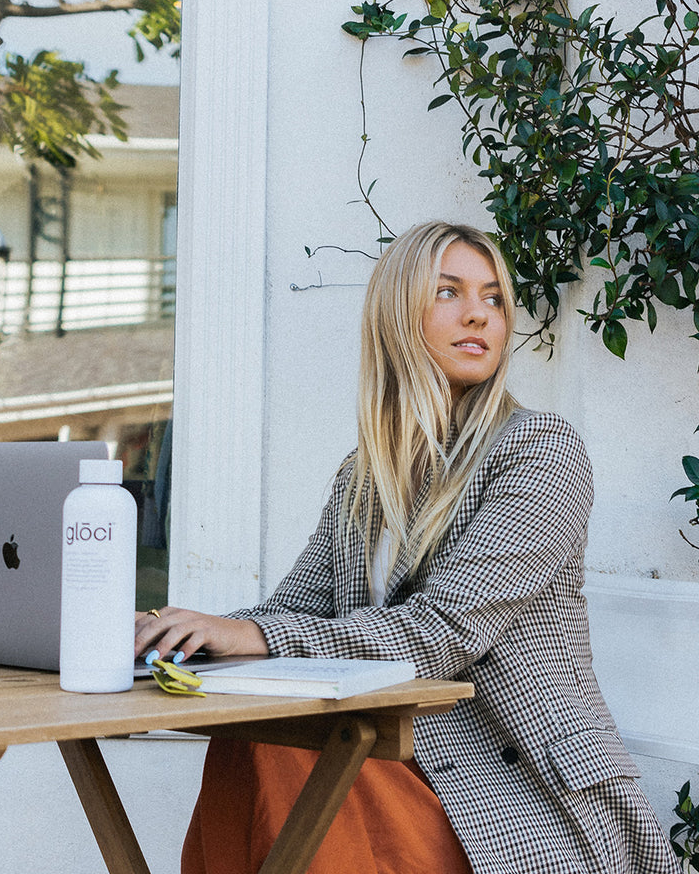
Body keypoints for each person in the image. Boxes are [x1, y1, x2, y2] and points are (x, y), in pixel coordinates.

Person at [134, 221, 678, 874]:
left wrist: (251, 636)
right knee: (254, 732)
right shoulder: (364, 478)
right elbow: (292, 612)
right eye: (449, 292)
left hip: (508, 801)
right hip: (389, 767)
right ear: (397, 315)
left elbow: (442, 631)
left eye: (494, 298)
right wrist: (177, 633)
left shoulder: (539, 451)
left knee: (276, 746)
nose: (479, 313)